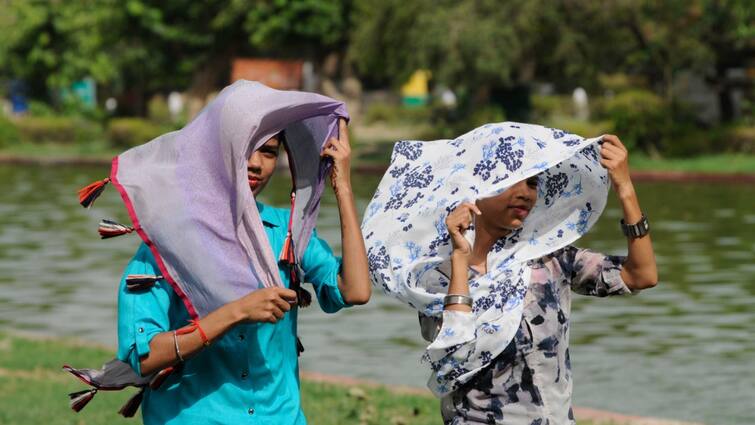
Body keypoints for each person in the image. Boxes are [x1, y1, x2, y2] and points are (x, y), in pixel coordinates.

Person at [66, 82, 370, 424]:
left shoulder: (288, 233)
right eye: (247, 149)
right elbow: (144, 356)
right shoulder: (168, 240)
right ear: (217, 151)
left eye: (269, 152)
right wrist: (236, 311)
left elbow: (355, 291)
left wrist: (342, 185)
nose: (256, 164)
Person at [362, 123, 657, 424]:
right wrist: (461, 257)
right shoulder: (435, 275)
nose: (525, 193)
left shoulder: (546, 260)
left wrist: (625, 189)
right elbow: (455, 350)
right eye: (511, 181)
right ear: (476, 188)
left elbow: (640, 276)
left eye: (532, 183)